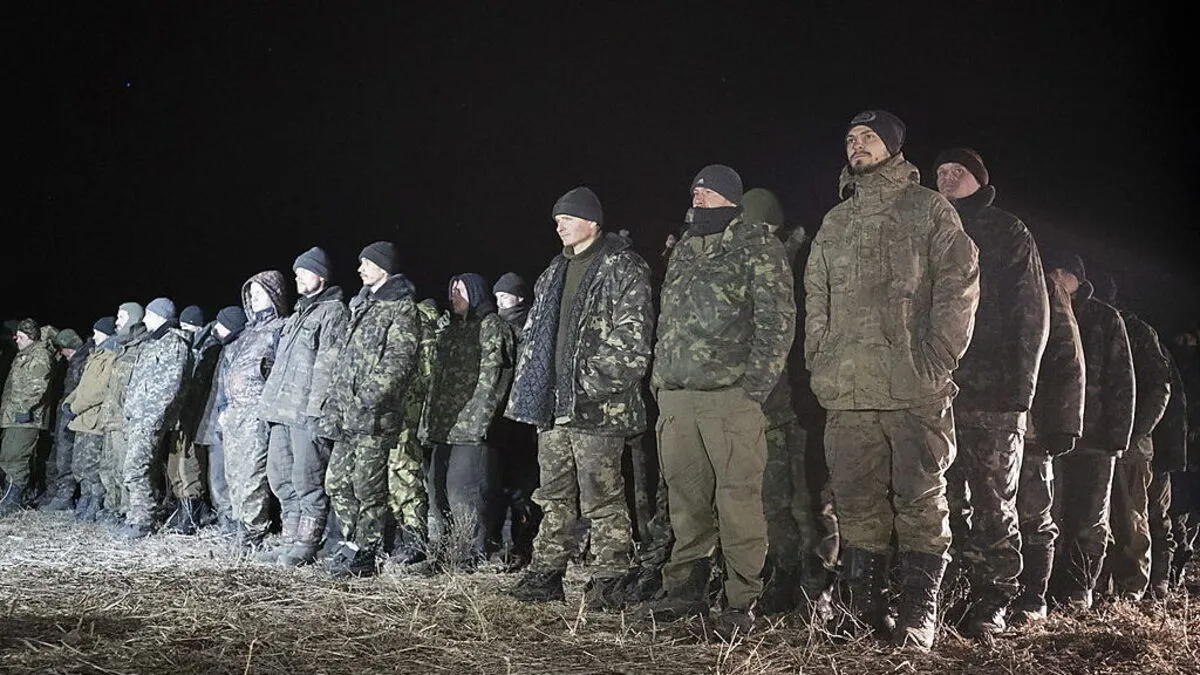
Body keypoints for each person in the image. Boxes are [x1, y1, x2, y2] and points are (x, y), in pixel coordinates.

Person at [805, 111, 979, 650]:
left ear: (894, 147)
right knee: (856, 503)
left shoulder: (928, 209)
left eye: (869, 137)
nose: (856, 145)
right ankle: (863, 612)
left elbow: (959, 285)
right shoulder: (836, 221)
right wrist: (819, 358)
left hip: (913, 388)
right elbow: (816, 296)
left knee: (920, 499)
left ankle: (917, 614)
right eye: (850, 138)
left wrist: (936, 359)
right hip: (848, 390)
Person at [649, 165, 795, 637]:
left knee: (738, 503)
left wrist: (754, 389)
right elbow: (668, 319)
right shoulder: (684, 249)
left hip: (730, 399)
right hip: (678, 399)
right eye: (695, 189)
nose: (698, 195)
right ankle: (685, 595)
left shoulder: (757, 245)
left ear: (731, 198)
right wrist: (660, 382)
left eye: (708, 190)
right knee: (685, 502)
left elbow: (777, 321)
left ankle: (741, 601)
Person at [506, 186, 654, 608]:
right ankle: (547, 572)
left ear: (593, 221)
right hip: (553, 406)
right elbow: (535, 335)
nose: (560, 226)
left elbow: (632, 340)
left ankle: (610, 577)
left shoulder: (622, 266)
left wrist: (587, 381)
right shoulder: (554, 270)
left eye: (568, 218)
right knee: (553, 495)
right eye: (557, 220)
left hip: (597, 407)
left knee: (601, 496)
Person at [933, 148, 1050, 636]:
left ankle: (994, 599)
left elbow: (1031, 311)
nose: (947, 178)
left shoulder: (1007, 230)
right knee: (943, 502)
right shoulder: (930, 226)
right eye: (941, 172)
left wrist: (1020, 390)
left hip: (994, 395)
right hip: (938, 391)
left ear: (980, 181)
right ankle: (954, 591)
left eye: (957, 172)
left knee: (993, 502)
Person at [739, 187, 830, 615]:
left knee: (811, 499)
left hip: (807, 404)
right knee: (772, 499)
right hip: (769, 405)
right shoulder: (746, 264)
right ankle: (783, 574)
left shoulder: (806, 259)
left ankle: (818, 585)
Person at [320, 241, 420, 578]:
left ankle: (368, 551)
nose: (360, 269)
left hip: (374, 418)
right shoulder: (361, 304)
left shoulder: (402, 308)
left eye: (367, 263)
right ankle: (352, 541)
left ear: (384, 267)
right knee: (336, 483)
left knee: (368, 487)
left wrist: (364, 400)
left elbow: (398, 362)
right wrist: (336, 401)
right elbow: (346, 361)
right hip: (346, 416)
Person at [1043, 253, 1135, 610]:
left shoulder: (1105, 318)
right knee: (1051, 515)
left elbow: (1122, 380)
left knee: (1090, 519)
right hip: (1053, 435)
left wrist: (1117, 438)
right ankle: (1049, 587)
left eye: (1061, 272)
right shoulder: (1044, 308)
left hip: (1096, 440)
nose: (1054, 278)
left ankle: (1080, 589)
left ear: (1077, 278)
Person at [258, 247, 348, 566]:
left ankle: (307, 543)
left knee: (307, 479)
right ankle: (289, 541)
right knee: (280, 477)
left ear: (321, 276)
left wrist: (317, 413)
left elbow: (329, 366)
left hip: (306, 413)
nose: (297, 278)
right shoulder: (297, 315)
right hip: (280, 411)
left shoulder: (333, 312)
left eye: (304, 272)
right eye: (296, 273)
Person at [420, 273, 516, 569]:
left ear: (475, 293)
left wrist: (479, 423)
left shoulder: (491, 326)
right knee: (437, 489)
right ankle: (440, 553)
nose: (453, 297)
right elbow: (436, 380)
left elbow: (494, 379)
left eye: (460, 291)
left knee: (465, 492)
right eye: (451, 291)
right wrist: (428, 421)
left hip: (472, 428)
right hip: (444, 426)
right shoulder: (450, 331)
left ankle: (468, 553)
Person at [1010, 273, 1086, 624]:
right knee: (988, 512)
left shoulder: (1045, 285)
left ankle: (1033, 598)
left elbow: (1068, 357)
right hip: (984, 415)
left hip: (1033, 426)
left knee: (1034, 512)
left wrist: (1064, 425)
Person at [1093, 275, 1172, 601]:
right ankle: (1100, 585)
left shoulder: (1137, 331)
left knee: (1130, 519)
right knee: (1098, 516)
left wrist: (1135, 430)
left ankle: (1131, 589)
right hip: (1095, 439)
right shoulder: (1091, 322)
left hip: (1131, 443)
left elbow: (1159, 387)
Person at [217, 273, 289, 547]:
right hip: (234, 412)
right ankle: (239, 521)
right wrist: (224, 408)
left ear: (274, 295)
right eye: (251, 294)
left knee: (252, 473)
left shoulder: (280, 328)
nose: (254, 298)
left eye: (260, 293)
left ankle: (253, 530)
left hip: (256, 411)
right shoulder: (247, 332)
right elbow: (227, 370)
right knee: (233, 471)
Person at [120, 297, 193, 538]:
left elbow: (168, 387)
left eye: (149, 314)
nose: (144, 319)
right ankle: (135, 517)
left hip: (149, 418)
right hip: (139, 417)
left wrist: (151, 417)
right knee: (137, 467)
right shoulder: (153, 343)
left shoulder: (173, 344)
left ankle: (143, 521)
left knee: (136, 467)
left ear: (160, 316)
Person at [491, 273, 540, 569]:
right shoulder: (495, 327)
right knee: (503, 480)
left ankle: (521, 544)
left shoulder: (530, 326)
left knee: (522, 481)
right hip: (501, 415)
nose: (500, 302)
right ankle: (506, 544)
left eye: (505, 296)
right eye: (496, 297)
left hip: (522, 416)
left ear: (519, 297)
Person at [95, 302, 151, 526]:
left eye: (121, 317)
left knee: (124, 468)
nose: (117, 322)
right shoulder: (124, 349)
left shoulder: (143, 349)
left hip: (124, 422)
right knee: (108, 467)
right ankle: (113, 507)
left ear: (133, 319)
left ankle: (127, 511)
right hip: (111, 419)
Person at [194, 306, 249, 532]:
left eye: (220, 324)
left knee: (229, 474)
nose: (215, 327)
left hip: (231, 422)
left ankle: (233, 518)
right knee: (216, 474)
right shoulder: (219, 349)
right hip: (214, 420)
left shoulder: (237, 349)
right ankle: (223, 516)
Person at [65, 317, 119, 522]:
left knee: (92, 467)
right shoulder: (96, 355)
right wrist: (69, 402)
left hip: (95, 419)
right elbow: (83, 386)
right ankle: (86, 498)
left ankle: (95, 502)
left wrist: (75, 407)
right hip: (83, 418)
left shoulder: (111, 356)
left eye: (97, 332)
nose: (93, 336)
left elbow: (100, 390)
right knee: (79, 465)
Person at [0, 319, 55, 515]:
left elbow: (38, 386)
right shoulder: (24, 355)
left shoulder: (39, 355)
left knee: (16, 457)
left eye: (21, 337)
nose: (17, 340)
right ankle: (11, 495)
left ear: (31, 337)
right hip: (13, 415)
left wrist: (24, 409)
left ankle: (13, 500)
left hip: (26, 417)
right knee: (8, 455)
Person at [45, 328, 92, 511]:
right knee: (59, 451)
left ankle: (65, 496)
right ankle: (57, 493)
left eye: (61, 348)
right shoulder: (75, 361)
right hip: (66, 411)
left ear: (67, 347)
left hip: (73, 413)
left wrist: (71, 411)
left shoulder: (81, 361)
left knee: (66, 453)